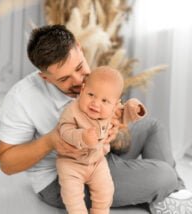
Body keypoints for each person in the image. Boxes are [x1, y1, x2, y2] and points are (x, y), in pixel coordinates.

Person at [0, 24, 192, 214]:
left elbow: (118, 133)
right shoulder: (21, 99)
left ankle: (173, 197)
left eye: (80, 67)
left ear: (79, 47)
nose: (79, 82)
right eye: (64, 79)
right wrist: (50, 141)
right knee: (164, 174)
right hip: (63, 178)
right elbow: (6, 163)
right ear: (45, 78)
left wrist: (115, 132)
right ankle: (168, 191)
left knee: (153, 127)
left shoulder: (92, 79)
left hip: (99, 156)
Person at [57, 66, 146, 214]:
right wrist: (82, 136)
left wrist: (135, 109)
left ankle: (100, 211)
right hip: (71, 164)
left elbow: (125, 114)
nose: (96, 103)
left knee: (105, 191)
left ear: (114, 103)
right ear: (83, 89)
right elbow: (64, 130)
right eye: (91, 94)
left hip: (97, 163)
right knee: (72, 197)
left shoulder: (112, 111)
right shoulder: (72, 110)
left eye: (105, 100)